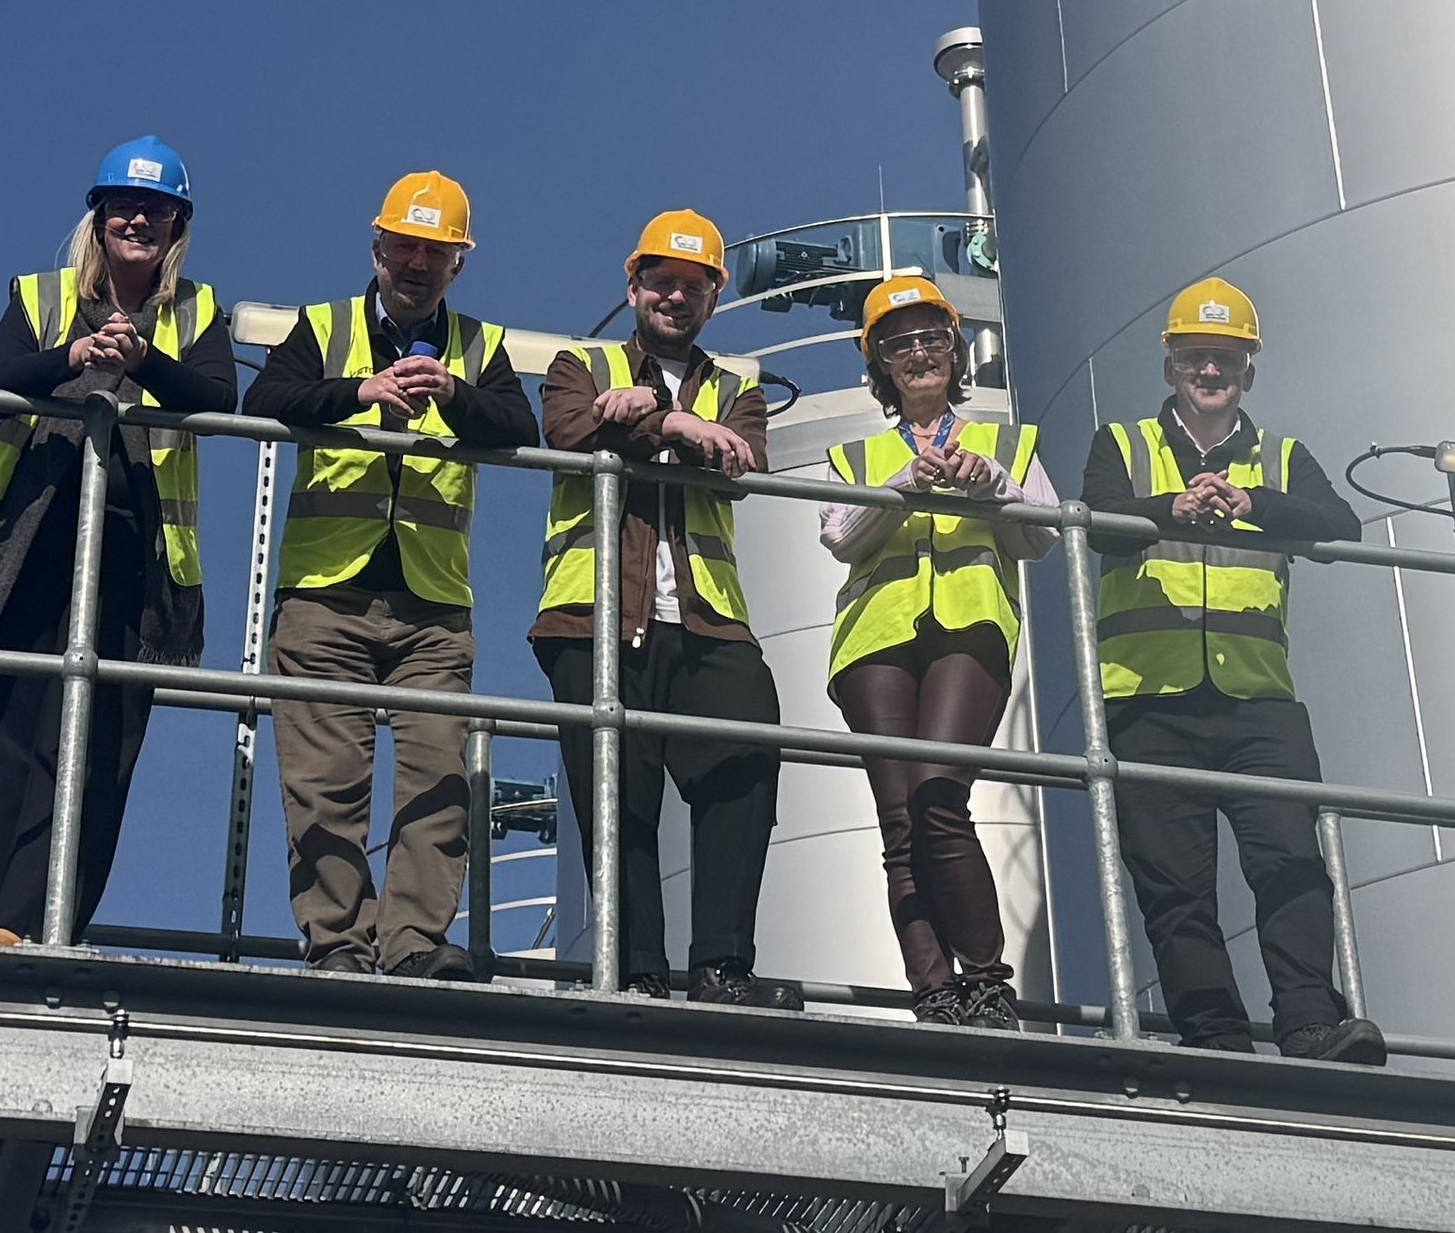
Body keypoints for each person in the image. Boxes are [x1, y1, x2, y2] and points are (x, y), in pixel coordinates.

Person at [0, 137, 234, 947]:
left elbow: (221, 398)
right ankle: (4, 925)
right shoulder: (44, 295)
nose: (138, 219)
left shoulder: (195, 311)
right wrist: (74, 355)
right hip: (23, 547)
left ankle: (45, 926)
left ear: (176, 227)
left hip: (132, 560)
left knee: (99, 747)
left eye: (156, 209)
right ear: (97, 217)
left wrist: (144, 360)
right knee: (5, 733)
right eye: (123, 205)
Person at [1081, 277, 1386, 1062]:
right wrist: (1168, 509)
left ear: (1248, 370)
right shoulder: (1122, 446)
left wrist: (1252, 502)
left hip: (1258, 702)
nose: (1209, 372)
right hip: (1149, 700)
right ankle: (1214, 1036)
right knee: (1174, 884)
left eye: (1224, 359)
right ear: (1170, 368)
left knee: (1289, 862)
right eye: (1194, 359)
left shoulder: (1281, 458)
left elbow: (1336, 524)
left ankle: (1311, 1024)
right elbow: (1096, 528)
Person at [243, 170, 536, 978]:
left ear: (458, 267)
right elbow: (269, 398)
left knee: (440, 781)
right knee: (323, 783)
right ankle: (339, 944)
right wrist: (358, 393)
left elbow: (519, 424)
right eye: (404, 245)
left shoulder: (478, 347)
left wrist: (454, 391)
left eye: (435, 252)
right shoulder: (322, 327)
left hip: (433, 606)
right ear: (376, 249)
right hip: (325, 595)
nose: (417, 262)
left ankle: (414, 948)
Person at [533, 208, 793, 1006]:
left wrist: (645, 417)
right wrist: (678, 424)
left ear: (714, 296)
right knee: (618, 795)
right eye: (661, 281)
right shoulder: (580, 360)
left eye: (692, 285)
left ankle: (721, 967)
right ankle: (636, 972)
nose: (674, 297)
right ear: (634, 284)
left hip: (710, 619)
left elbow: (741, 460)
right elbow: (571, 431)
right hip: (594, 615)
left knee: (744, 763)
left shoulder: (739, 384)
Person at [819, 275, 1058, 1027]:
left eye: (931, 338)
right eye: (899, 343)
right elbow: (836, 535)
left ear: (956, 350)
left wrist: (990, 486)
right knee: (900, 824)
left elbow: (1044, 533)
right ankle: (934, 993)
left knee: (938, 798)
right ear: (879, 363)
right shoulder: (853, 455)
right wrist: (901, 485)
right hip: (874, 645)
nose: (919, 353)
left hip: (969, 632)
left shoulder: (1006, 443)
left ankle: (986, 982)